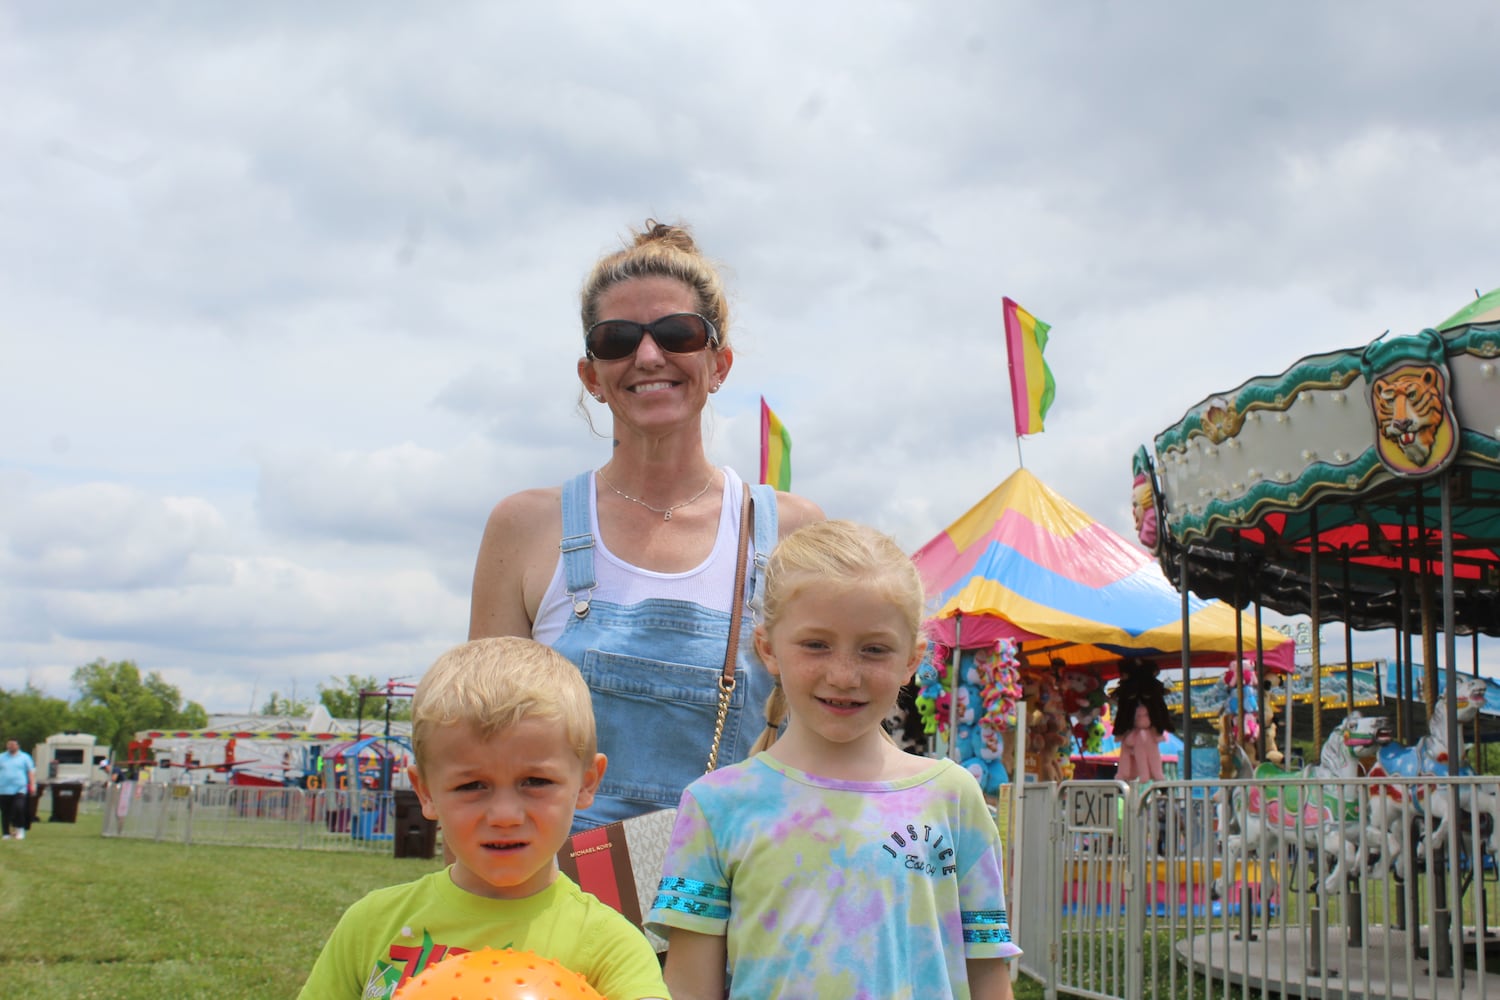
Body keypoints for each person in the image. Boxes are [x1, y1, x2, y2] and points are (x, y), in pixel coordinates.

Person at [469, 219, 823, 830]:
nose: (649, 355)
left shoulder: (791, 533)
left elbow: (830, 738)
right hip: (562, 909)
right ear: (591, 377)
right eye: (618, 339)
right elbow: (478, 746)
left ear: (719, 365)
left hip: (737, 907)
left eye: (677, 333)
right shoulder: (525, 528)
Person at [648, 521, 1022, 999]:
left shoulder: (953, 796)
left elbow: (988, 975)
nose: (844, 676)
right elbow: (689, 989)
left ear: (913, 658)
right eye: (816, 644)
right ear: (768, 648)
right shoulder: (715, 806)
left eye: (874, 650)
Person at [298, 637, 668, 1000]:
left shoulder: (609, 946)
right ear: (425, 791)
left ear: (587, 782)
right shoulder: (371, 925)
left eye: (536, 782)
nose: (505, 816)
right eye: (472, 785)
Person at [0, 738, 37, 841]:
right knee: (5, 812)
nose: (10, 746)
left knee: (19, 808)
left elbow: (30, 772)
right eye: (9, 744)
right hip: (3, 789)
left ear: (18, 746)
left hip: (19, 788)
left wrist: (33, 785)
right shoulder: (2, 757)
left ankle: (20, 829)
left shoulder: (25, 757)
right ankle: (6, 833)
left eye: (13, 744)